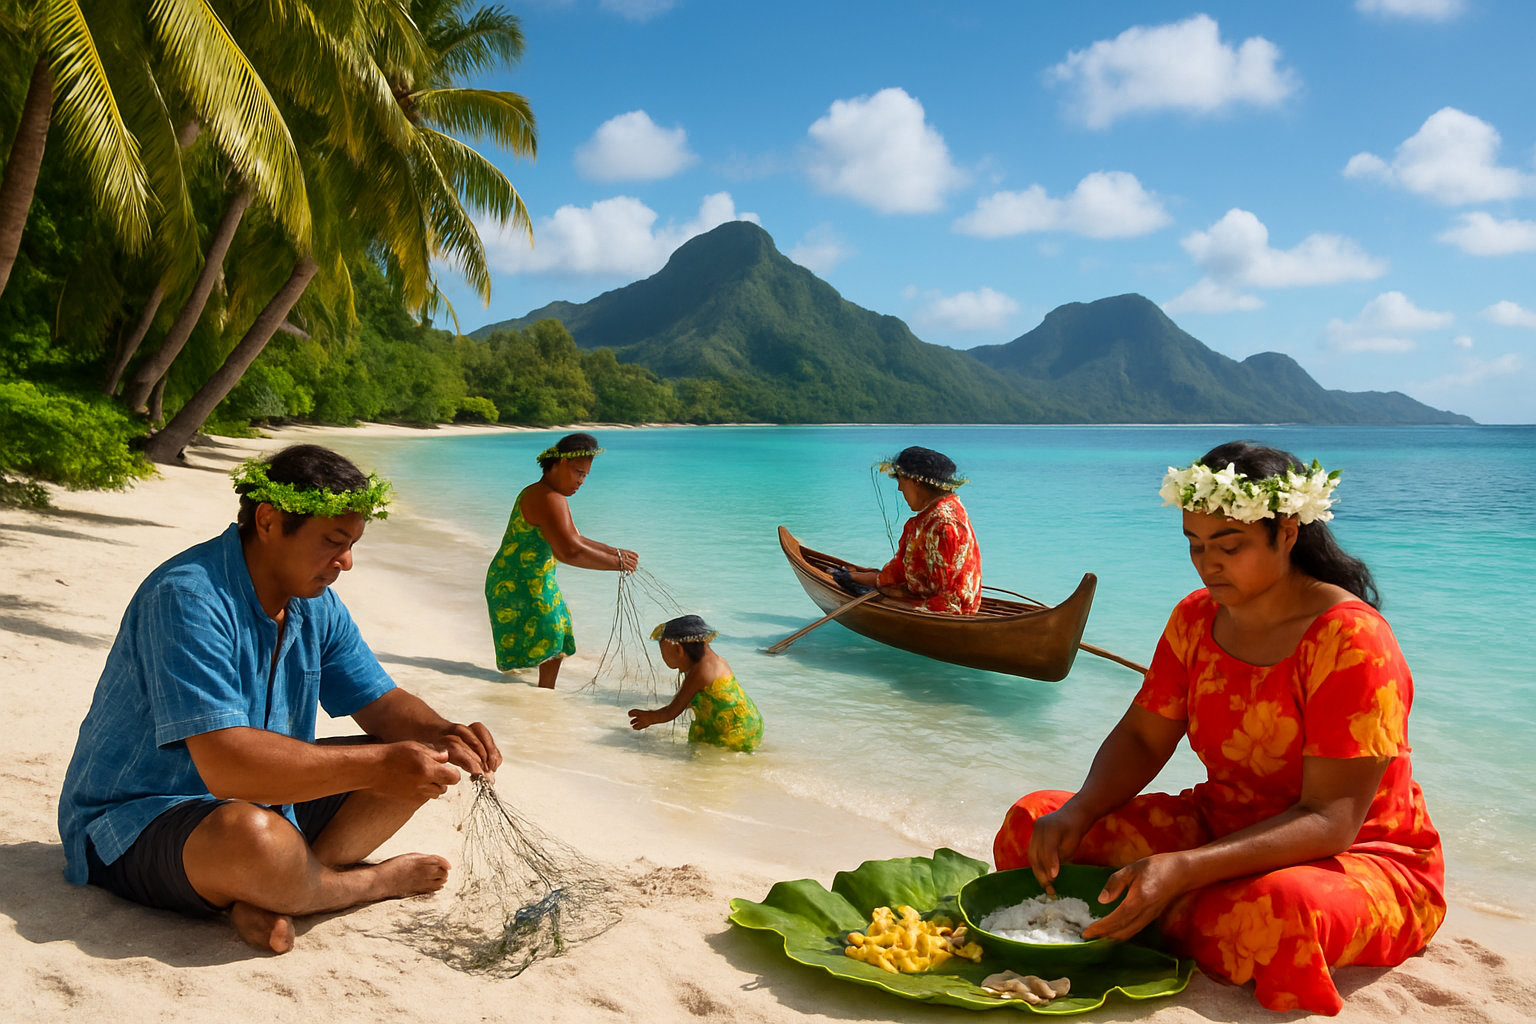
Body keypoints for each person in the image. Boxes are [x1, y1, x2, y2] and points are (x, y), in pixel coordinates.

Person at [992, 441, 1444, 1016]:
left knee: (1279, 909)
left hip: (1355, 856)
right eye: (1196, 544)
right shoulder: (1195, 617)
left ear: (1288, 534)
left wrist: (1183, 869)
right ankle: (1173, 908)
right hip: (1219, 826)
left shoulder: (1351, 641)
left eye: (1230, 546)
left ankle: (1162, 908)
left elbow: (1331, 820)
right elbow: (1142, 737)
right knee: (1035, 824)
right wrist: (1081, 808)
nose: (1209, 563)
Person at [58, 444, 503, 954]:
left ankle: (275, 888)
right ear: (268, 520)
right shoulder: (188, 597)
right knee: (252, 834)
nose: (347, 562)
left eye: (353, 543)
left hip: (265, 801)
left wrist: (442, 734)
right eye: (334, 542)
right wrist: (380, 764)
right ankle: (350, 885)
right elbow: (229, 767)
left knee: (419, 767)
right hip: (136, 821)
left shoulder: (315, 605)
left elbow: (382, 704)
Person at [484, 433, 638, 688]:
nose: (581, 481)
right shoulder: (548, 498)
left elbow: (575, 538)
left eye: (585, 476)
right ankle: (544, 696)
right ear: (562, 462)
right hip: (517, 582)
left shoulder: (544, 493)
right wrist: (616, 564)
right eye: (578, 472)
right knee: (552, 634)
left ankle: (528, 694)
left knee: (558, 630)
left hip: (524, 577)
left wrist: (616, 553)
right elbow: (568, 551)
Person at [847, 446, 981, 615]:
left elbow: (943, 593)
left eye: (900, 481)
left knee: (867, 590)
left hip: (945, 610)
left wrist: (854, 577)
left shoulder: (939, 523)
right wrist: (863, 575)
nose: (899, 489)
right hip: (957, 604)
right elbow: (904, 570)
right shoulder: (950, 508)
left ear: (915, 480)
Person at [627, 615, 763, 753]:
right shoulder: (718, 662)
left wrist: (649, 718)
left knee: (702, 759)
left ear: (678, 649)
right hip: (748, 720)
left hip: (733, 729)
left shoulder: (700, 673)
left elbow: (672, 711)